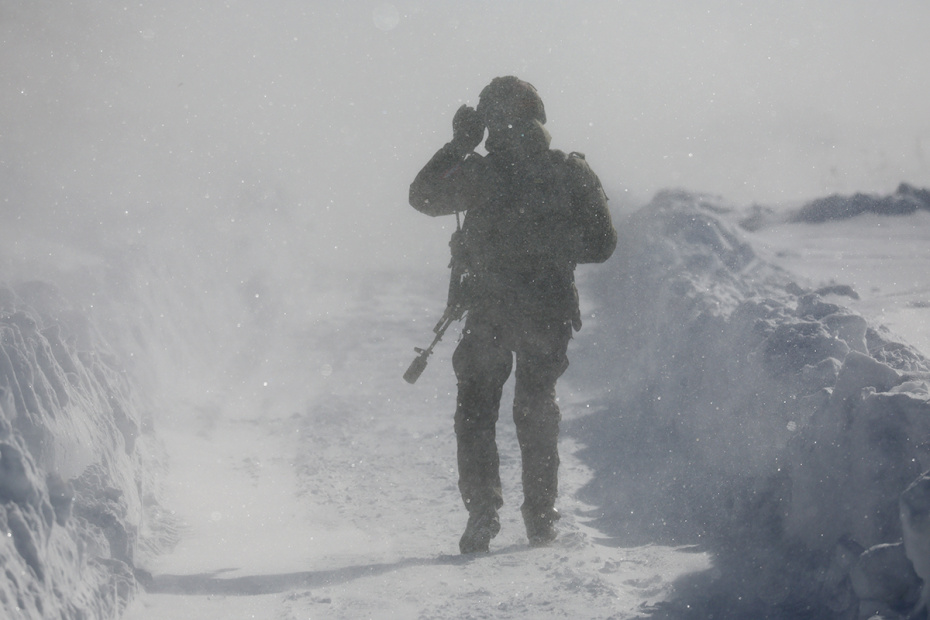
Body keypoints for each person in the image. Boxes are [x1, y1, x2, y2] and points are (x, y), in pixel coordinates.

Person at [409, 76, 617, 553]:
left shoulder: (480, 173)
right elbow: (602, 244)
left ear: (488, 121)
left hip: (490, 313)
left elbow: (422, 197)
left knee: (477, 413)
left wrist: (458, 146)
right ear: (538, 115)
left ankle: (483, 514)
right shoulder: (569, 172)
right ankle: (541, 517)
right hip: (548, 312)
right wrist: (547, 250)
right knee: (536, 409)